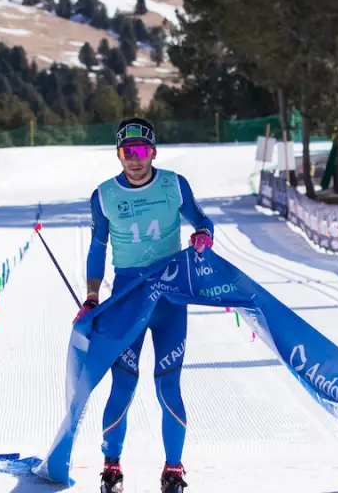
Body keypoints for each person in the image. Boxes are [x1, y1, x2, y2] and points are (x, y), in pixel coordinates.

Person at [74, 118, 214, 493]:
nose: (133, 160)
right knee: (123, 384)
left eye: (139, 151)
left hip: (170, 298)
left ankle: (173, 470)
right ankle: (111, 468)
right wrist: (91, 297)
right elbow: (97, 248)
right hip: (127, 299)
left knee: (169, 386)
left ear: (152, 151)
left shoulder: (173, 184)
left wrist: (202, 233)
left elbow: (202, 220)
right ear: (118, 155)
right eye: (126, 153)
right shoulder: (104, 194)